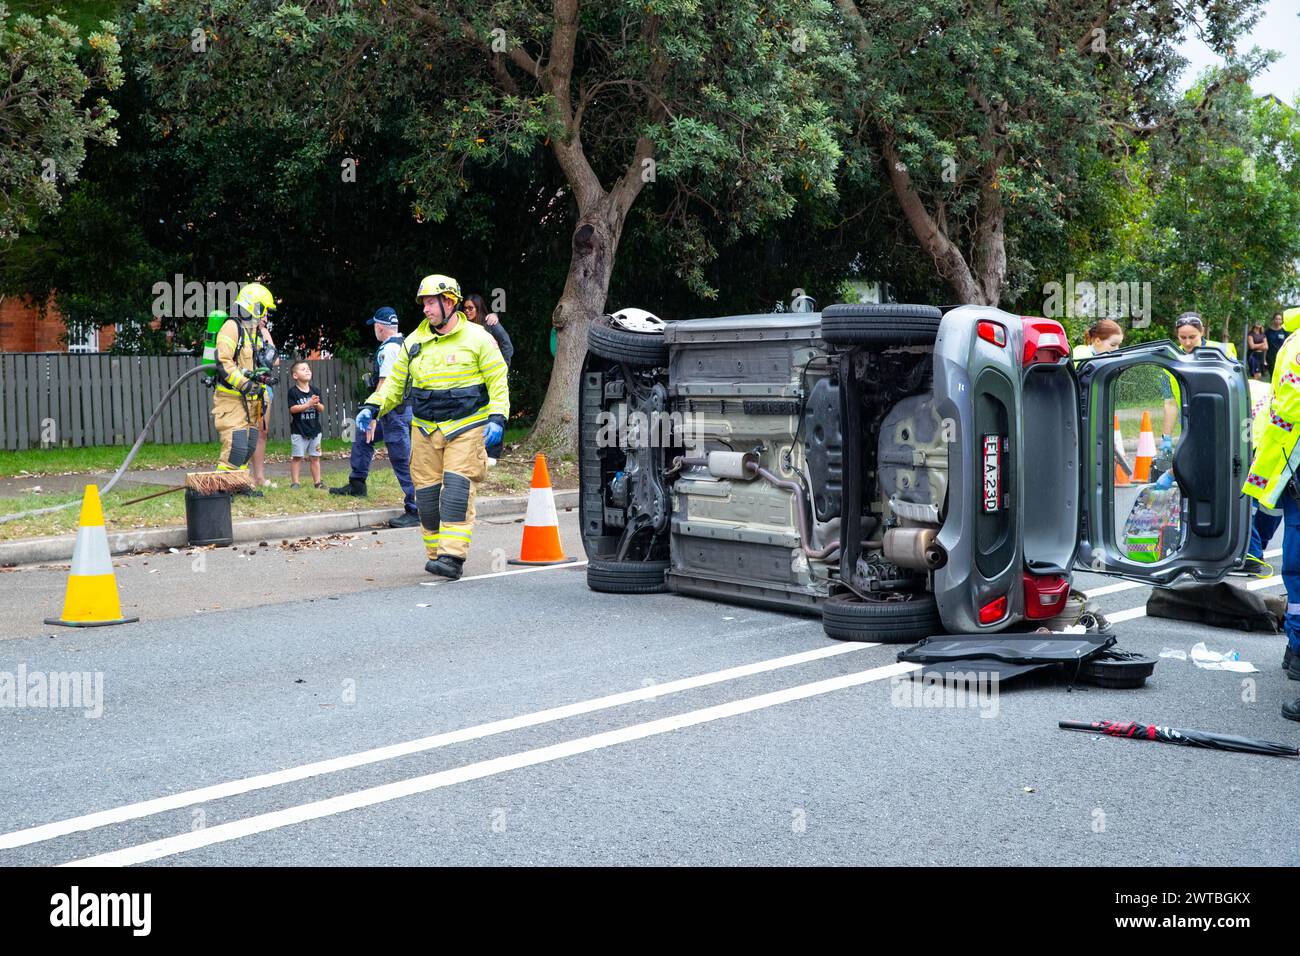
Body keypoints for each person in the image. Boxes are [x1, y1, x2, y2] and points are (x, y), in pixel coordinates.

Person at [356, 274, 508, 580]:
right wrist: (372, 406)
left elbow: (497, 380)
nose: (425, 309)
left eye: (430, 303)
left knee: (456, 490)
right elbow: (395, 385)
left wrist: (497, 417)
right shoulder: (414, 343)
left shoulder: (478, 338)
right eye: (423, 303)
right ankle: (436, 554)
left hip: (465, 427)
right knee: (425, 498)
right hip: (424, 428)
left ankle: (452, 557)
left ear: (449, 302)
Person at [1241, 306, 1300, 721]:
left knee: (1297, 569)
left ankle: (1297, 647)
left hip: (1290, 463)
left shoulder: (1294, 343)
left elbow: (1290, 405)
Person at [330, 307, 419, 529]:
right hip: (399, 409)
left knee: (401, 458)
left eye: (375, 327)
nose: (374, 331)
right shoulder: (405, 343)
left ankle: (415, 509)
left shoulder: (388, 349)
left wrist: (373, 413)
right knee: (363, 437)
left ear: (379, 326)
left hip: (392, 411)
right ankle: (357, 483)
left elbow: (385, 382)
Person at [210, 282, 277, 495]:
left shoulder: (253, 332)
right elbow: (224, 361)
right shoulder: (232, 327)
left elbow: (257, 362)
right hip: (231, 398)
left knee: (248, 445)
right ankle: (221, 490)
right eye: (264, 309)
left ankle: (238, 485)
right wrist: (244, 383)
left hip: (251, 399)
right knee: (235, 445)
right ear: (254, 306)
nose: (266, 315)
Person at [1159, 312, 1237, 457]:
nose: (1187, 342)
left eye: (1192, 337)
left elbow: (1236, 388)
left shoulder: (1222, 352)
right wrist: (1167, 437)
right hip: (1190, 422)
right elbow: (1170, 403)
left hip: (1221, 419)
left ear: (1202, 331)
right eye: (1182, 337)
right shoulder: (1170, 360)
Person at [462, 293, 513, 464]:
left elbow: (507, 344)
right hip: (474, 378)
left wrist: (502, 367)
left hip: (492, 374)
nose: (467, 311)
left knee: (496, 411)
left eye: (471, 308)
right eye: (465, 308)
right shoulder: (463, 327)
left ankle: (493, 454)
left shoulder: (490, 323)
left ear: (478, 308)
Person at [249, 314, 280, 488]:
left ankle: (259, 477)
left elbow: (275, 360)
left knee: (262, 432)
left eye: (266, 315)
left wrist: (262, 330)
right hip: (246, 386)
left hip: (264, 386)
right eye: (261, 314)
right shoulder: (241, 332)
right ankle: (242, 476)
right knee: (245, 431)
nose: (265, 318)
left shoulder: (263, 333)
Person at [286, 360, 325, 489]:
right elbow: (292, 409)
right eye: (303, 369)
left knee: (315, 457)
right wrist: (307, 404)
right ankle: (295, 482)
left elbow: (322, 409)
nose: (307, 370)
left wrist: (316, 404)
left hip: (315, 430)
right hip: (299, 430)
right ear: (295, 375)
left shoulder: (315, 390)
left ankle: (317, 482)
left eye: (308, 368)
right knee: (297, 457)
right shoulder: (293, 392)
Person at [1265, 310, 1288, 377]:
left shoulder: (1284, 331)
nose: (1278, 321)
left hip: (1281, 356)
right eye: (1276, 319)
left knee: (1280, 374)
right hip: (1270, 357)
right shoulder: (1268, 332)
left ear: (1281, 321)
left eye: (1279, 319)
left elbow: (1288, 342)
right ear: (1273, 320)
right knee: (1273, 374)